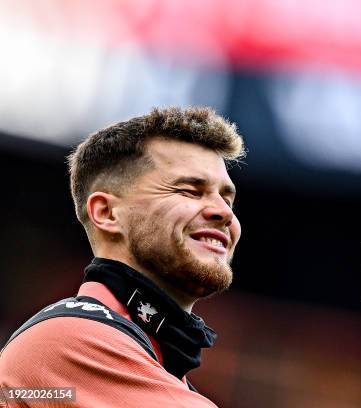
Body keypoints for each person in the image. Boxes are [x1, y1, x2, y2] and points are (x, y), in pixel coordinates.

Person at [0, 107, 245, 407]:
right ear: (106, 213)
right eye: (190, 191)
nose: (224, 212)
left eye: (227, 197)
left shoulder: (154, 362)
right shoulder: (67, 341)